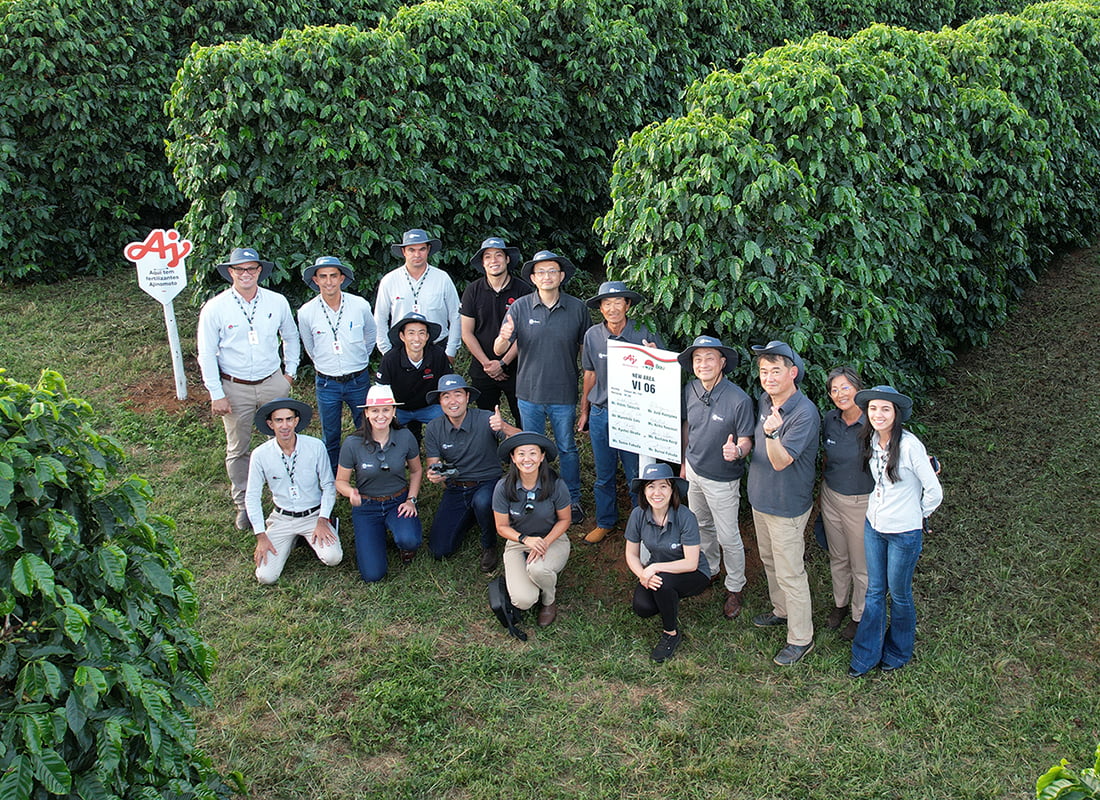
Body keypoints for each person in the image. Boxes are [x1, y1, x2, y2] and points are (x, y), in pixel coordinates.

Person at [197, 247, 300, 531]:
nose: (246, 274)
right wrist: (216, 392)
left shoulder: (276, 301)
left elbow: (290, 336)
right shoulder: (215, 307)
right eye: (240, 269)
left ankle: (287, 498)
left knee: (285, 440)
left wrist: (288, 375)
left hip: (272, 382)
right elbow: (206, 353)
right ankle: (243, 504)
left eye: (251, 269)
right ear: (230, 272)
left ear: (259, 272)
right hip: (235, 386)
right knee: (238, 448)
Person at [848, 386, 942, 678]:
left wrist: (918, 515)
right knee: (875, 592)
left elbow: (934, 492)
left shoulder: (911, 446)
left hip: (904, 534)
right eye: (873, 409)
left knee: (899, 595)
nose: (878, 414)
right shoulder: (872, 440)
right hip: (874, 526)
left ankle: (899, 651)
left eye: (885, 409)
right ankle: (866, 656)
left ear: (896, 414)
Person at [493, 250, 589, 523]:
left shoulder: (577, 308)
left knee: (567, 447)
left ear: (561, 276)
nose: (547, 277)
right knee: (530, 451)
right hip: (529, 393)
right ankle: (535, 497)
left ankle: (572, 499)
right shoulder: (520, 307)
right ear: (533, 278)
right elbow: (499, 348)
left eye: (552, 271)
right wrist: (503, 337)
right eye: (541, 272)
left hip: (563, 393)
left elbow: (586, 352)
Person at [746, 340, 821, 666]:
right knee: (770, 561)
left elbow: (781, 461)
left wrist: (774, 435)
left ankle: (801, 638)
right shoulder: (765, 400)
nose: (768, 377)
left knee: (791, 571)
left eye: (775, 370)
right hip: (761, 499)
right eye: (763, 371)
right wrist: (741, 449)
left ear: (793, 373)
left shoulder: (804, 412)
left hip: (787, 505)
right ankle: (782, 610)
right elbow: (755, 441)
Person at [577, 281, 664, 544]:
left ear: (627, 305)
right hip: (602, 413)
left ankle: (643, 524)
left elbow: (663, 371)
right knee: (604, 474)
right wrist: (584, 410)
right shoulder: (593, 335)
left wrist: (655, 358)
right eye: (607, 303)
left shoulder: (642, 331)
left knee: (635, 474)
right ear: (600, 308)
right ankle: (605, 521)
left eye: (618, 302)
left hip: (633, 415)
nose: (613, 308)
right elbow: (589, 374)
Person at [677, 335, 755, 619]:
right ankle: (709, 569)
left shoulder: (739, 399)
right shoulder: (691, 389)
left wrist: (738, 450)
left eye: (710, 357)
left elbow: (747, 439)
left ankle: (735, 586)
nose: (703, 364)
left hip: (723, 479)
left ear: (722, 362)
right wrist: (685, 461)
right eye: (698, 359)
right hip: (695, 471)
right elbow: (689, 426)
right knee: (701, 525)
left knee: (728, 534)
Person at [424, 374, 520, 572]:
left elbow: (524, 439)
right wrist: (435, 474)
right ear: (440, 401)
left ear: (467, 397)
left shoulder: (486, 418)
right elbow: (433, 464)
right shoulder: (434, 427)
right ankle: (471, 517)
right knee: (439, 550)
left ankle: (489, 544)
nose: (453, 401)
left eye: (458, 394)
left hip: (488, 482)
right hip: (456, 487)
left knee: (483, 501)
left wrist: (503, 427)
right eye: (446, 396)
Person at [245, 398, 342, 584]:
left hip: (313, 515)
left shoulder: (315, 447)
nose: (285, 425)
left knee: (333, 558)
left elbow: (329, 485)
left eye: (289, 419)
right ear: (270, 424)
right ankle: (290, 541)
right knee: (266, 577)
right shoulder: (260, 455)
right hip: (282, 518)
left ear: (296, 421)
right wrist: (261, 535)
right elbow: (252, 496)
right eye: (279, 420)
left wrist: (322, 519)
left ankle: (329, 524)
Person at [334, 385, 423, 582]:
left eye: (385, 410)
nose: (380, 415)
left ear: (394, 411)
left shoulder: (405, 436)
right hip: (367, 506)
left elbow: (416, 471)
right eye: (375, 410)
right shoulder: (352, 443)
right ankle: (375, 536)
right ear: (366, 413)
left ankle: (403, 541)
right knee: (373, 575)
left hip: (397, 501)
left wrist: (411, 500)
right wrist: (350, 492)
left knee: (410, 540)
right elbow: (340, 481)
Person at [624, 462, 711, 662]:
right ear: (644, 491)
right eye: (651, 486)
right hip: (659, 572)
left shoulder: (685, 516)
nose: (657, 492)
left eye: (663, 486)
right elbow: (631, 554)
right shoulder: (638, 515)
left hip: (694, 573)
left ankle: (670, 634)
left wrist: (653, 568)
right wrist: (642, 574)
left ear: (672, 490)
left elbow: (691, 562)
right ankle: (669, 596)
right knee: (643, 607)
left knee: (663, 583)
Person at [297, 256, 376, 473]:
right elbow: (310, 347)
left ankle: (366, 473)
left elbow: (370, 335)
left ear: (342, 278)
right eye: (323, 276)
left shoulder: (359, 305)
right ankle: (331, 479)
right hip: (327, 383)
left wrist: (358, 359)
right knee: (330, 434)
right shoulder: (306, 312)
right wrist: (327, 366)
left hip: (358, 380)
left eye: (333, 275)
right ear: (315, 280)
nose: (329, 281)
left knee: (365, 429)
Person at [493, 432, 572, 627]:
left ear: (542, 456)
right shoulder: (503, 487)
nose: (527, 459)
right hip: (517, 542)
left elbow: (564, 520)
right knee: (524, 600)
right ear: (513, 457)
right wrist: (525, 540)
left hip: (552, 540)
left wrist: (544, 543)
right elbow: (501, 527)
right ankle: (530, 581)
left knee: (538, 569)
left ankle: (549, 600)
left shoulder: (556, 484)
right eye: (521, 454)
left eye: (533, 453)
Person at [820, 366, 874, 641]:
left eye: (845, 387)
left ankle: (858, 614)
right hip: (831, 496)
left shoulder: (872, 422)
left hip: (860, 502)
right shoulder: (830, 419)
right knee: (838, 557)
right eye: (834, 389)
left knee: (860, 563)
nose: (840, 394)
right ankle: (840, 604)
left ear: (858, 388)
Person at [459, 236, 532, 425]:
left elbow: (526, 332)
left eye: (498, 255)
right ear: (483, 263)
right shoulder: (473, 290)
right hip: (482, 368)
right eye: (488, 257)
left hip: (517, 368)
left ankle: (523, 453)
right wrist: (487, 364)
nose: (494, 261)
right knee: (485, 421)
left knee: (522, 418)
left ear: (507, 259)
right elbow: (467, 332)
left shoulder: (523, 290)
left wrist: (503, 363)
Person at [374, 228, 461, 360]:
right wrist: (387, 351)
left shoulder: (442, 278)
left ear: (428, 250)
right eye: (411, 250)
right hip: (401, 350)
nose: (417, 254)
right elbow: (380, 318)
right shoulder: (390, 280)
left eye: (422, 249)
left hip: (437, 347)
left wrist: (450, 351)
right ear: (404, 251)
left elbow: (456, 315)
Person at [377, 312, 450, 442]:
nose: (417, 338)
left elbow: (447, 384)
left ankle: (444, 453)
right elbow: (381, 391)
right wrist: (389, 414)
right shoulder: (390, 359)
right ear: (402, 336)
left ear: (427, 336)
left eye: (421, 333)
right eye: (411, 333)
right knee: (381, 423)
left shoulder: (438, 355)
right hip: (399, 409)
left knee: (449, 418)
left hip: (430, 407)